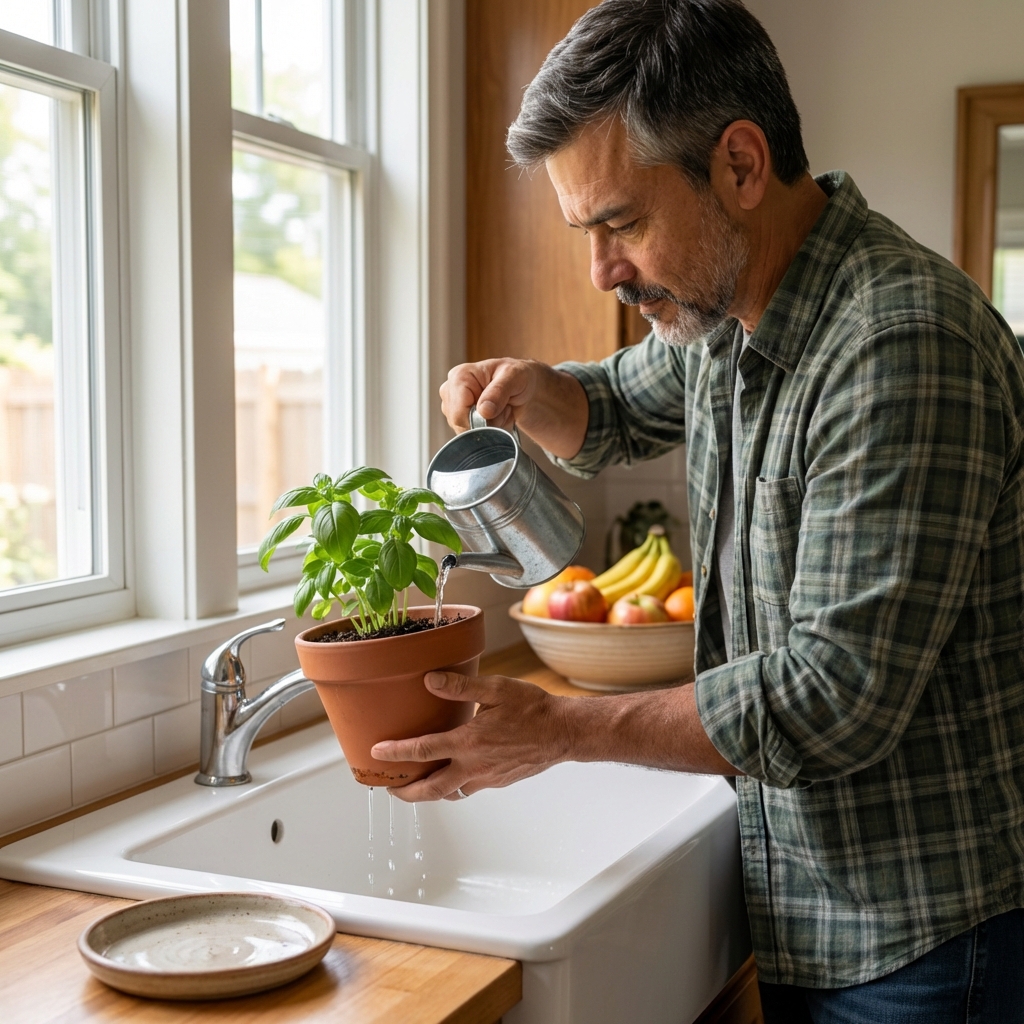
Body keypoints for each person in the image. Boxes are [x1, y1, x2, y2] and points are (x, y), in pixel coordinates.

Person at [370, 2, 1024, 1019]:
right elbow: (627, 402)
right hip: (823, 905)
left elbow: (833, 695)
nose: (602, 271)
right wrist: (542, 390)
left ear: (739, 164)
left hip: (931, 937)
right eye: (583, 233)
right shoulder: (728, 311)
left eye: (619, 224)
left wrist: (557, 729)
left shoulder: (898, 344)